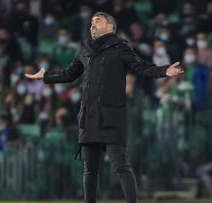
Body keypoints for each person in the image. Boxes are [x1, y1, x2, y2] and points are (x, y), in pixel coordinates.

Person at [25, 12, 184, 203]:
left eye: (97, 22)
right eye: (91, 22)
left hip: (112, 115)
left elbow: (142, 67)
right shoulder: (84, 48)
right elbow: (70, 74)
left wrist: (164, 70)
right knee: (89, 168)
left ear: (110, 27)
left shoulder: (121, 47)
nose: (92, 25)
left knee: (120, 165)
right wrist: (46, 76)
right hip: (89, 116)